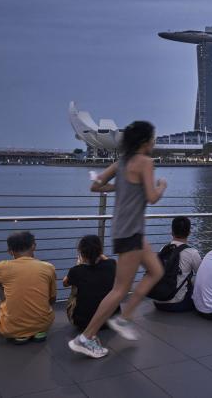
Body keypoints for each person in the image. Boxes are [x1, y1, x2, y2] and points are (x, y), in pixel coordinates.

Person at [69, 121, 167, 359]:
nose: (154, 143)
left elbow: (95, 186)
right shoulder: (145, 162)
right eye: (152, 138)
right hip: (131, 232)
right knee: (120, 289)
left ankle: (124, 319)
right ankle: (86, 337)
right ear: (144, 141)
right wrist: (162, 185)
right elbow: (152, 197)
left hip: (126, 230)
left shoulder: (120, 162)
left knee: (156, 271)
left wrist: (119, 188)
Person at [0, 231, 56, 344]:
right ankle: (38, 331)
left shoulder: (3, 266)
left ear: (9, 251)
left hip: (9, 328)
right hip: (44, 323)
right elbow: (52, 299)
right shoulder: (48, 267)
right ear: (34, 246)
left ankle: (19, 335)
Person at [64, 235, 118, 330]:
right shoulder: (112, 264)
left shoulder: (76, 270)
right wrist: (101, 255)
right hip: (111, 320)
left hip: (84, 323)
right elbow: (110, 262)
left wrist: (79, 264)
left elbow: (65, 283)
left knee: (75, 289)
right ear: (100, 250)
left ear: (81, 252)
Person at [152, 217, 201, 312]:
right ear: (189, 233)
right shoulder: (192, 253)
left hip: (157, 301)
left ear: (172, 232)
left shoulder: (163, 249)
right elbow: (202, 274)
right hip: (178, 304)